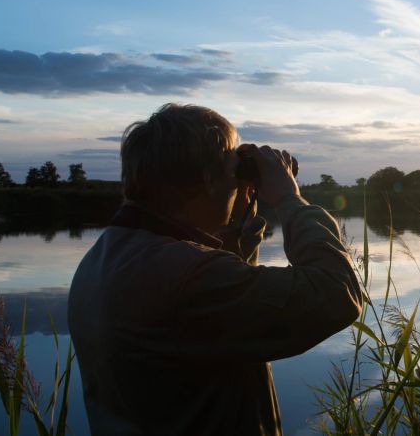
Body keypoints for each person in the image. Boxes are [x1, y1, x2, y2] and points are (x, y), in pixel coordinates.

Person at [68, 103, 362, 435]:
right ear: (209, 180)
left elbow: (221, 318)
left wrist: (239, 225)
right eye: (234, 168)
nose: (239, 180)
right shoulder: (187, 278)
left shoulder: (104, 258)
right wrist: (289, 198)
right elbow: (336, 292)